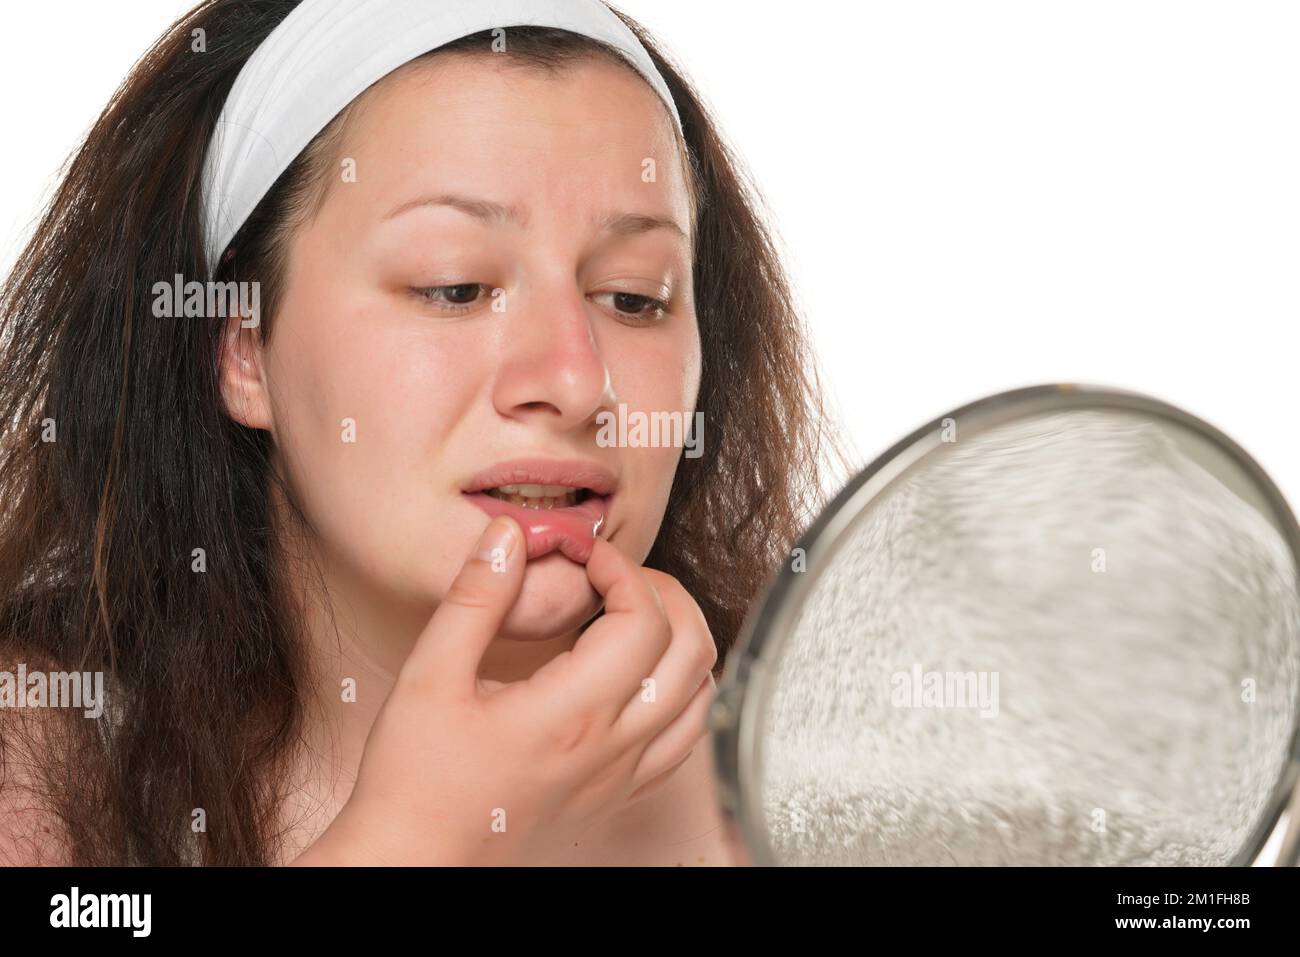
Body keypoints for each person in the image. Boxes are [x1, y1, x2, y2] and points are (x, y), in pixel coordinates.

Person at [0, 0, 840, 866]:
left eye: (634, 296)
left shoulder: (830, 791)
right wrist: (421, 839)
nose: (576, 381)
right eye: (455, 287)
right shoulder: (41, 774)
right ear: (243, 347)